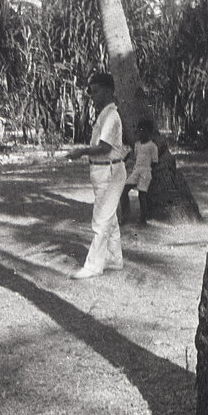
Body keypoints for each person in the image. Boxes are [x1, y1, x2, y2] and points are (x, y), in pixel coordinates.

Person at [65, 72, 129, 279]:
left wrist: (81, 152)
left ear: (108, 90)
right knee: (109, 218)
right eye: (90, 92)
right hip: (103, 170)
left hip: (110, 169)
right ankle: (114, 258)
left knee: (101, 219)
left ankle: (93, 266)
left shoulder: (111, 115)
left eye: (96, 91)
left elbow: (103, 147)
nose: (92, 96)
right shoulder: (105, 114)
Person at [120, 118, 158, 224]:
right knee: (123, 191)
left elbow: (154, 161)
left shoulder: (152, 146)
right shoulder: (137, 145)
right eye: (140, 130)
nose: (141, 133)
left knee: (142, 195)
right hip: (137, 170)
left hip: (146, 171)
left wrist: (149, 172)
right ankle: (125, 215)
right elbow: (135, 157)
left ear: (149, 132)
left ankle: (142, 220)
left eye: (144, 130)